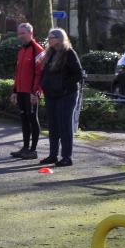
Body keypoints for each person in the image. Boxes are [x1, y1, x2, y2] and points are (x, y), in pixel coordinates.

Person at [39, 28, 83, 167]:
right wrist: (43, 85)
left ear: (59, 38)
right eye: (49, 36)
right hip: (51, 95)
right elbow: (45, 73)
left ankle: (67, 157)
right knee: (53, 125)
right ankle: (53, 155)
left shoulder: (69, 53)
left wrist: (63, 86)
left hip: (66, 95)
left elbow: (78, 74)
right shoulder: (50, 53)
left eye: (52, 36)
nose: (50, 39)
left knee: (65, 125)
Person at [9, 22, 44, 159]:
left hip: (31, 93)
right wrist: (14, 91)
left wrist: (35, 92)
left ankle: (33, 150)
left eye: (23, 33)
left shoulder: (38, 50)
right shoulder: (21, 51)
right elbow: (17, 73)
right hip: (21, 92)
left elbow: (40, 74)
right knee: (24, 119)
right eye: (19, 33)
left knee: (32, 119)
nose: (20, 36)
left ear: (30, 33)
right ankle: (25, 148)